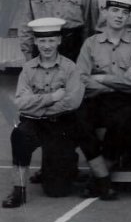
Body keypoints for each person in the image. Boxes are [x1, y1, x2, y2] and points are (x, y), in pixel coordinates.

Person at [3, 18, 86, 208]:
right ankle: (19, 190)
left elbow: (72, 102)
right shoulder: (27, 68)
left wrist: (38, 106)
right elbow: (21, 103)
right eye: (42, 41)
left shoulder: (70, 68)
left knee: (57, 191)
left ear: (59, 41)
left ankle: (66, 166)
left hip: (61, 124)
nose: (46, 46)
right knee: (19, 135)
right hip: (34, 123)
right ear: (35, 42)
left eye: (50, 40)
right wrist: (52, 98)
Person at [74, 0, 131, 200]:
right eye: (115, 11)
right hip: (95, 98)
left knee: (123, 122)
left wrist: (101, 77)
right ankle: (103, 178)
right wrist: (115, 82)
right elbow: (80, 78)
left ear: (129, 17)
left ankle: (98, 178)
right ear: (104, 12)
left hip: (124, 100)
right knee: (78, 120)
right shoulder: (91, 43)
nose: (119, 16)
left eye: (124, 13)